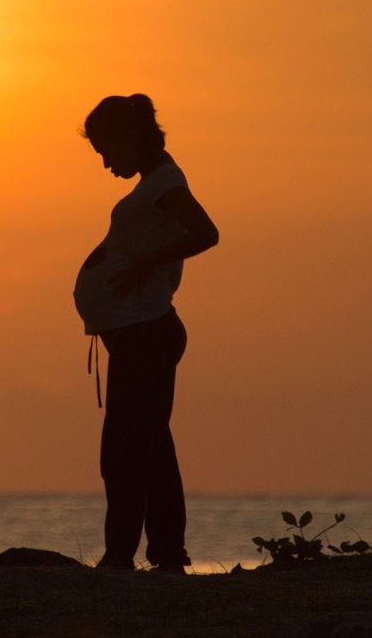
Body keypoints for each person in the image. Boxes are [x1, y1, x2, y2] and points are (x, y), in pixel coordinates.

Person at [72, 94, 219, 574]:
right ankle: (166, 555)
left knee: (126, 448)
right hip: (136, 334)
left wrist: (145, 263)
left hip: (146, 335)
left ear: (130, 139)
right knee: (149, 446)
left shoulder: (166, 183)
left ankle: (121, 556)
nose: (106, 163)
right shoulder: (155, 184)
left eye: (106, 151)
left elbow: (206, 232)